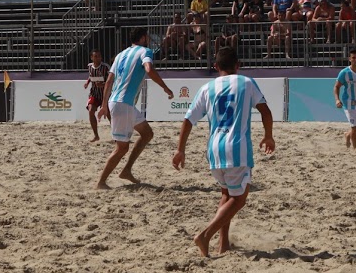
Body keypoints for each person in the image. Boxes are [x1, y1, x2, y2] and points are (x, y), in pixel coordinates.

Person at [172, 47, 275, 258]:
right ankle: (205, 235)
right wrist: (268, 136)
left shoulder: (207, 87)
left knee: (226, 195)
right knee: (239, 200)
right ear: (238, 65)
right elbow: (265, 111)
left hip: (214, 150)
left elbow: (188, 120)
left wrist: (180, 149)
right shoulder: (246, 83)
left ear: (215, 66)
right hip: (236, 148)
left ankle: (223, 244)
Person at [96, 28, 174, 189]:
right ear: (143, 38)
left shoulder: (120, 55)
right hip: (123, 104)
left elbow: (109, 81)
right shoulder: (145, 51)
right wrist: (165, 87)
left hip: (120, 103)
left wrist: (104, 105)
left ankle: (126, 170)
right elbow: (149, 69)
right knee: (121, 148)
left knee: (147, 134)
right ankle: (101, 182)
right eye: (147, 37)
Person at [84, 49, 110, 142]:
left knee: (109, 115)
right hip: (94, 93)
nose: (98, 58)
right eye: (95, 56)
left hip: (105, 94)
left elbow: (112, 80)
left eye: (99, 56)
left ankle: (116, 135)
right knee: (91, 111)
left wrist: (103, 85)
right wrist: (87, 83)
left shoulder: (105, 67)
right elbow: (91, 76)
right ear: (91, 57)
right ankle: (96, 136)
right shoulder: (90, 66)